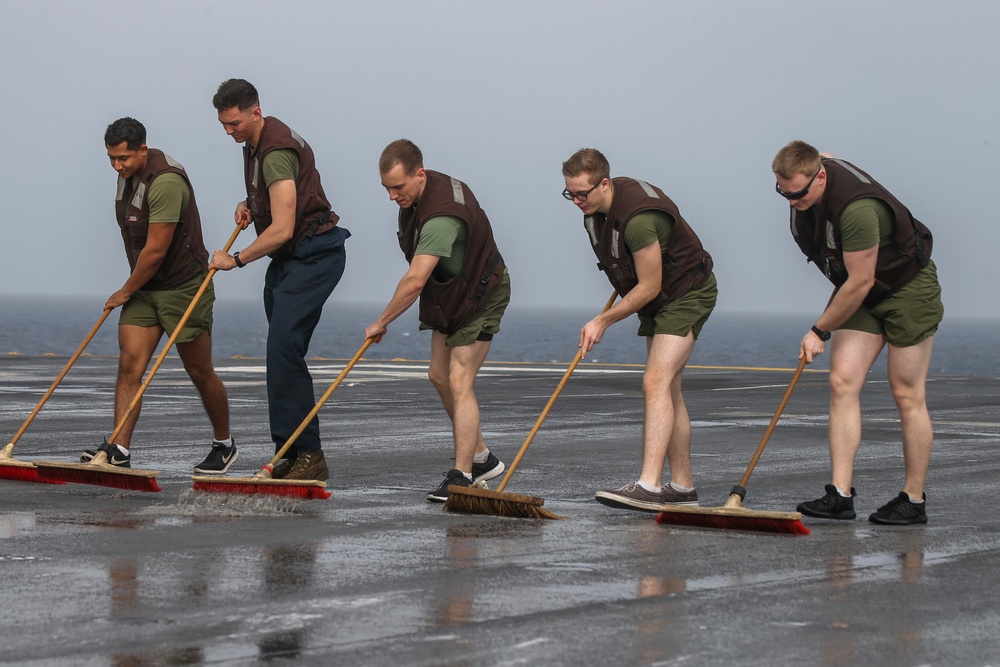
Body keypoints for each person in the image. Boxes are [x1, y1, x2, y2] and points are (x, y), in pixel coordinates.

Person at [772, 140, 943, 525]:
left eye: (798, 193)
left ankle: (913, 500)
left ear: (819, 178)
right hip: (861, 290)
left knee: (906, 392)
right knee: (842, 382)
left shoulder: (858, 211)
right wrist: (823, 162)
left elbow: (861, 281)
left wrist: (819, 329)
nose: (792, 201)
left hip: (906, 289)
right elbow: (828, 158)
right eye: (784, 192)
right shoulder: (812, 178)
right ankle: (840, 495)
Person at [561, 148, 718, 512]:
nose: (576, 201)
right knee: (669, 389)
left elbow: (648, 284)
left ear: (605, 183)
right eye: (570, 193)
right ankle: (682, 488)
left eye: (582, 193)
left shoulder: (638, 219)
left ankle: (648, 485)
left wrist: (603, 320)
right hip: (658, 298)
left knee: (655, 382)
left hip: (685, 294)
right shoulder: (597, 211)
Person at [209, 79, 350, 481]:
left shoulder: (273, 149)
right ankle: (289, 450)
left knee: (283, 349)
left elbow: (285, 226)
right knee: (282, 354)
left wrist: (235, 260)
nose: (229, 132)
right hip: (290, 260)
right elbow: (275, 201)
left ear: (256, 111)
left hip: (314, 254)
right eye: (223, 124)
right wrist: (250, 204)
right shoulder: (254, 144)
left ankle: (309, 454)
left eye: (234, 123)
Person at [84, 117, 235, 473]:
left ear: (142, 149)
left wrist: (124, 290)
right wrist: (134, 289)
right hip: (145, 287)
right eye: (111, 159)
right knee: (129, 366)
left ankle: (224, 444)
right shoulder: (125, 178)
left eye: (123, 158)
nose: (117, 166)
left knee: (199, 370)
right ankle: (119, 449)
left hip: (183, 287)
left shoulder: (166, 182)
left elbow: (155, 251)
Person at [365, 139, 509, 502]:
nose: (392, 196)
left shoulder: (442, 216)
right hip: (451, 295)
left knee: (459, 379)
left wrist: (381, 321)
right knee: (438, 375)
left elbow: (414, 281)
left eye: (398, 187)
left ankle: (462, 475)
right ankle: (483, 459)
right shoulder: (419, 196)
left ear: (420, 175)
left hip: (480, 294)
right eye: (387, 188)